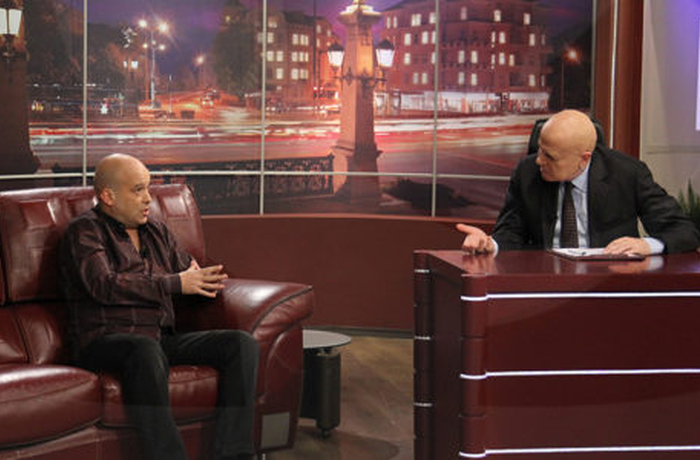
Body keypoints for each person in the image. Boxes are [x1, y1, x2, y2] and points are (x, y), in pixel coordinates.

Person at [59, 153, 258, 460]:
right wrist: (176, 283)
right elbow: (104, 285)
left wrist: (206, 282)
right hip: (105, 342)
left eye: (148, 189)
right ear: (108, 196)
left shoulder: (157, 231)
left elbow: (188, 274)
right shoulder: (84, 231)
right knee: (144, 349)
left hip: (159, 339)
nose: (148, 199)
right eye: (138, 190)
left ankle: (234, 454)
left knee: (240, 344)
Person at [457, 109, 700, 255]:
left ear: (584, 159)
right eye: (540, 149)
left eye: (550, 156)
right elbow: (511, 233)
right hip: (544, 282)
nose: (539, 160)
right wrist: (490, 244)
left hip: (607, 285)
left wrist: (647, 245)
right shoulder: (527, 172)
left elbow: (684, 231)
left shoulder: (627, 173)